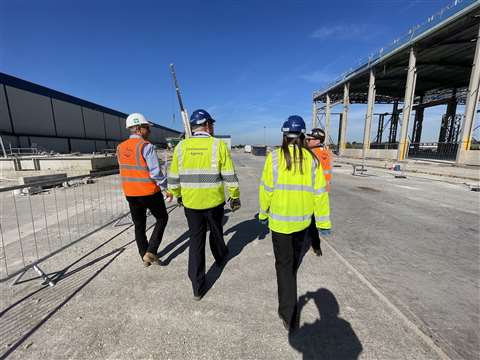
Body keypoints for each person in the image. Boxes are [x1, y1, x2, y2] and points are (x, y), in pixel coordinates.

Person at [258, 115, 331, 331]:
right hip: (302, 224)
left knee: (283, 266)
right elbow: (320, 194)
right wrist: (323, 222)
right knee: (292, 263)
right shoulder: (312, 160)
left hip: (280, 224)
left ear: (283, 135)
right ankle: (289, 307)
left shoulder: (273, 158)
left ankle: (287, 314)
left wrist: (263, 214)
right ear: (302, 135)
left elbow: (266, 189)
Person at [168, 109, 240, 300]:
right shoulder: (218, 146)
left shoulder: (181, 147)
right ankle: (220, 256)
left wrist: (177, 195)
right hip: (213, 202)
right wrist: (234, 196)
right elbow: (229, 175)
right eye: (212, 124)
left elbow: (173, 176)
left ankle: (197, 286)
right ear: (207, 125)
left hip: (191, 203)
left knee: (196, 241)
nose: (213, 127)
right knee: (216, 232)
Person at [117, 113, 173, 267]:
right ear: (139, 129)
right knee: (162, 218)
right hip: (148, 192)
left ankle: (144, 256)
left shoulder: (120, 147)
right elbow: (155, 172)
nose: (149, 131)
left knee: (139, 225)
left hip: (131, 193)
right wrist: (165, 188)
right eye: (147, 128)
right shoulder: (146, 146)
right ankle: (151, 251)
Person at [305, 128, 333, 256]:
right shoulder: (325, 152)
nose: (307, 140)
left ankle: (315, 245)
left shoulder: (312, 154)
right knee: (316, 219)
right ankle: (316, 246)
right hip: (323, 190)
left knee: (310, 220)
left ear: (317, 140)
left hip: (313, 191)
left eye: (310, 139)